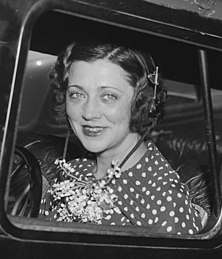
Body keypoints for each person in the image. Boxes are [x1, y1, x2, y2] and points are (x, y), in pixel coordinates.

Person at [39, 41, 203, 235]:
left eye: (108, 96)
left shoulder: (164, 201)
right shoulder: (75, 170)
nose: (89, 112)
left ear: (143, 103)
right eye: (77, 94)